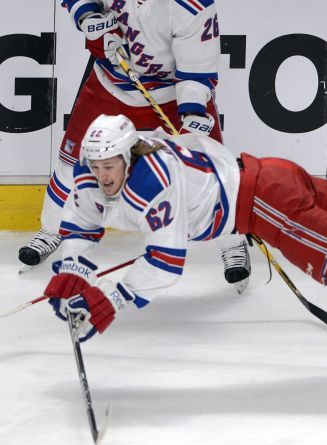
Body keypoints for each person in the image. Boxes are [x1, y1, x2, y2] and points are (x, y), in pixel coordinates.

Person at [43, 104, 327, 343]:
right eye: (97, 164)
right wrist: (70, 273)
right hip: (269, 179)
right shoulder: (95, 172)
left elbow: (165, 262)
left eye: (111, 165)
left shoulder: (152, 180)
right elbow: (77, 233)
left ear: (129, 156)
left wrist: (108, 301)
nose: (104, 175)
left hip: (264, 201)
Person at [19, 0, 251, 291]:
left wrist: (192, 114)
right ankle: (52, 229)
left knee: (213, 171)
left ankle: (233, 242)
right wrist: (88, 13)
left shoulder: (193, 6)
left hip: (169, 93)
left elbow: (198, 69)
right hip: (110, 83)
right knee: (73, 163)